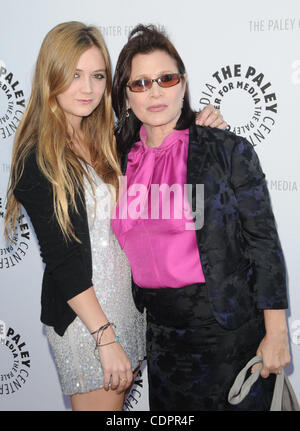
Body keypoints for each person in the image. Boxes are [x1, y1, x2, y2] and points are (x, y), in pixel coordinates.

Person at [4, 21, 224, 411]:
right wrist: (104, 338)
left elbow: (163, 143)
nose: (87, 88)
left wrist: (201, 130)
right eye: (74, 75)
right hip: (88, 322)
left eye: (97, 76)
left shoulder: (106, 139)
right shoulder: (37, 158)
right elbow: (63, 261)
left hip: (128, 309)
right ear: (50, 75)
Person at [111, 24, 291, 411]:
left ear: (182, 84)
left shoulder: (226, 149)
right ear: (126, 98)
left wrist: (276, 331)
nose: (155, 91)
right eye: (140, 83)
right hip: (160, 340)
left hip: (227, 334)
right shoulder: (117, 159)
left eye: (166, 78)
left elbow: (263, 242)